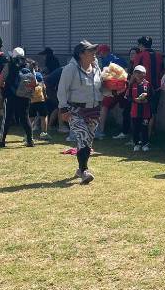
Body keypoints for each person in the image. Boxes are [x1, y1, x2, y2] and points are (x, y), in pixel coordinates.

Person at [57, 40, 103, 184]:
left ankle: (80, 169)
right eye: (91, 51)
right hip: (75, 110)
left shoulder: (96, 68)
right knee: (83, 138)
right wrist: (63, 109)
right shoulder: (70, 69)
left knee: (87, 141)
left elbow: (101, 87)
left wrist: (114, 89)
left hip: (94, 110)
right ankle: (84, 171)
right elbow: (62, 90)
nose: (94, 54)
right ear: (81, 54)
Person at [0, 48, 34, 148]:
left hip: (11, 96)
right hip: (25, 96)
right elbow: (34, 81)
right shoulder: (29, 65)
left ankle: (2, 141)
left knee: (6, 118)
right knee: (25, 118)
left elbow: (1, 80)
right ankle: (30, 140)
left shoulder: (9, 65)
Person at [96, 44, 128, 139]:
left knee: (105, 106)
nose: (99, 55)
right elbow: (126, 71)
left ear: (104, 52)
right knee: (124, 108)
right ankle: (124, 129)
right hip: (124, 87)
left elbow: (105, 76)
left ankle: (101, 130)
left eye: (100, 52)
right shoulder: (118, 58)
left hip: (113, 88)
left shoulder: (107, 60)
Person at [135, 36, 165, 136]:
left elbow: (136, 72)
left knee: (141, 112)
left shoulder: (140, 55)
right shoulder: (159, 55)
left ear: (141, 45)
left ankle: (141, 136)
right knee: (152, 112)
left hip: (143, 88)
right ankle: (149, 135)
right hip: (156, 88)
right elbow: (162, 71)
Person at [115, 47, 139, 141]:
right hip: (128, 92)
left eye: (134, 53)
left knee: (134, 114)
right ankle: (125, 132)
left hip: (136, 92)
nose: (132, 55)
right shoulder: (130, 64)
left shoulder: (138, 66)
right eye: (130, 54)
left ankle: (134, 136)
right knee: (126, 112)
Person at [127, 65, 152, 151]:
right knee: (135, 128)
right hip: (135, 111)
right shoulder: (132, 85)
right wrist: (135, 100)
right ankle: (136, 143)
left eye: (139, 73)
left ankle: (145, 144)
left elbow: (152, 96)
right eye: (136, 72)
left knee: (144, 127)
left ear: (144, 74)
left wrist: (147, 100)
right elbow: (129, 97)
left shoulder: (147, 84)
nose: (137, 74)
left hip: (145, 111)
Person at [28, 62, 50, 139]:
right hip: (40, 99)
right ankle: (44, 133)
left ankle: (28, 135)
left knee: (31, 118)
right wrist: (45, 95)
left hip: (31, 100)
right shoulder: (38, 75)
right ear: (36, 67)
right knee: (44, 116)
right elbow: (43, 86)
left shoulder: (27, 75)